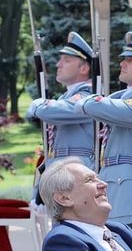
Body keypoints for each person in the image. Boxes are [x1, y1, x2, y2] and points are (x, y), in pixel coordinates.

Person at [73, 32, 132, 247]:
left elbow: (94, 105)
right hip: (112, 189)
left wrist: (90, 99)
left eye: (130, 60)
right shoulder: (121, 101)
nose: (122, 64)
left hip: (131, 196)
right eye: (124, 59)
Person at [26, 31, 96, 168]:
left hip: (76, 168)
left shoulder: (88, 95)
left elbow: (50, 111)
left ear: (84, 68)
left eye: (67, 60)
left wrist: (37, 104)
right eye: (60, 59)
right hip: (61, 166)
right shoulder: (66, 97)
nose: (59, 64)